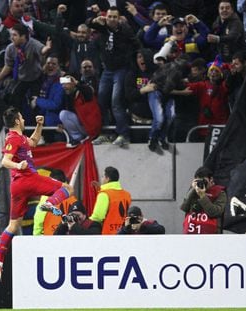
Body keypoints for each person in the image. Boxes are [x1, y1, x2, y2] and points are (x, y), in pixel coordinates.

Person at [0, 107, 74, 282]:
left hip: (18, 186)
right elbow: (5, 161)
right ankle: (50, 203)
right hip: (27, 179)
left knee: (13, 226)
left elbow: (34, 142)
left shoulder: (20, 138)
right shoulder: (13, 137)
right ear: (17, 121)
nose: (23, 118)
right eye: (21, 116)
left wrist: (39, 125)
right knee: (67, 188)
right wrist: (17, 165)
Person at [88, 6, 141, 146]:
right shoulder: (103, 27)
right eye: (109, 16)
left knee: (116, 101)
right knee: (101, 101)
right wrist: (95, 19)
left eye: (114, 17)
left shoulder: (125, 30)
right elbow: (89, 23)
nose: (111, 19)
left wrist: (130, 59)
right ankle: (105, 133)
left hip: (121, 69)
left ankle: (123, 134)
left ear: (119, 19)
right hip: (107, 70)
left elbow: (137, 44)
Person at [0, 24, 52, 113]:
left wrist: (47, 48)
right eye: (11, 35)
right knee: (14, 100)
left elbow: (42, 50)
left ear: (23, 36)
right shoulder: (10, 48)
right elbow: (8, 66)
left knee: (34, 103)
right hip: (20, 78)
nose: (12, 38)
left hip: (35, 77)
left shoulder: (33, 43)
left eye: (14, 35)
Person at [180, 166, 227, 234]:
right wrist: (193, 189)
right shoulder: (194, 190)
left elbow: (215, 213)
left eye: (204, 181)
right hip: (190, 232)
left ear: (211, 179)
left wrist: (202, 196)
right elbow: (184, 207)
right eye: (199, 181)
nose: (202, 183)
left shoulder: (220, 193)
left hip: (211, 235)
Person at [89, 166, 131, 234]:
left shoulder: (104, 194)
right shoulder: (127, 194)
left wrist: (85, 224)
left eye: (103, 176)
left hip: (109, 234)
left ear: (107, 179)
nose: (101, 178)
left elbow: (98, 216)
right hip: (123, 232)